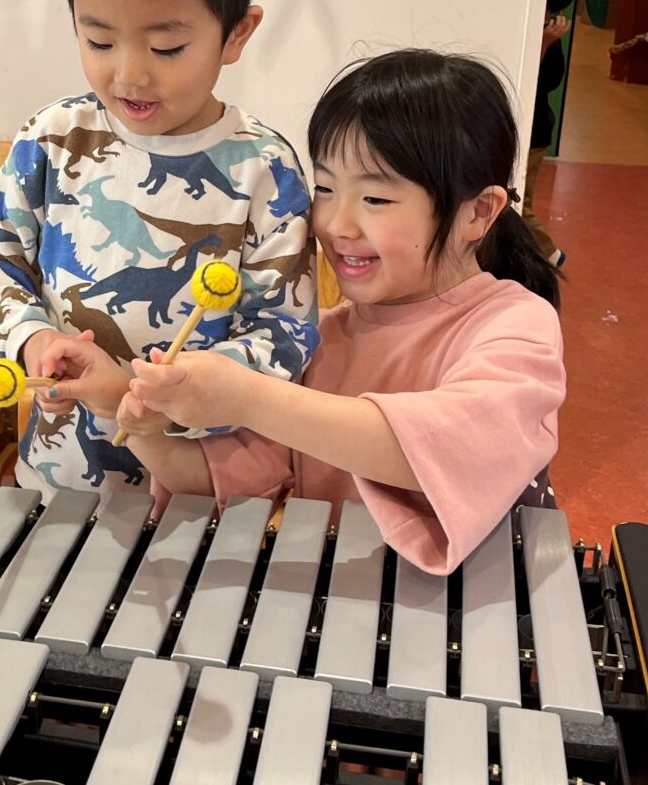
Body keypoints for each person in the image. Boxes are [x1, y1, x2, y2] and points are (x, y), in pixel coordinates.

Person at [115, 50, 564, 574]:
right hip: (340, 601)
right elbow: (236, 482)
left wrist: (246, 395)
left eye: (376, 199)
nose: (337, 224)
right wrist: (146, 430)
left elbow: (452, 450)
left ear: (477, 213)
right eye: (325, 189)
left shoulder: (515, 325)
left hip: (477, 604)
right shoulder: (322, 337)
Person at [0, 0, 319, 494]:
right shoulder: (52, 139)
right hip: (56, 490)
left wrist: (167, 393)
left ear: (236, 34)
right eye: (99, 41)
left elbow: (283, 334)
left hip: (201, 500)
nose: (128, 74)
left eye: (166, 47)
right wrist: (31, 338)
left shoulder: (265, 169)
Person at [525, 0, 579, 267]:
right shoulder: (530, 21)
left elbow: (542, 82)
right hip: (520, 125)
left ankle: (550, 254)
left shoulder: (550, 34)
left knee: (518, 203)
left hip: (534, 130)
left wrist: (545, 43)